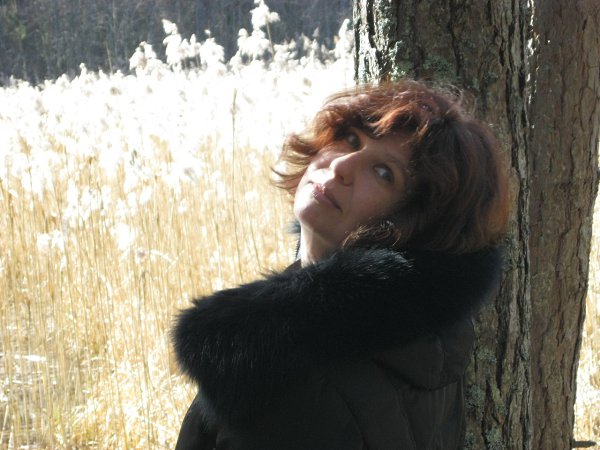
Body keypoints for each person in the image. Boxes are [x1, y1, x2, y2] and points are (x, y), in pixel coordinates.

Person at [172, 81, 510, 450]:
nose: (342, 166)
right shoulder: (423, 336)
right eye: (351, 139)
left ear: (412, 224)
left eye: (383, 173)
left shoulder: (291, 384)